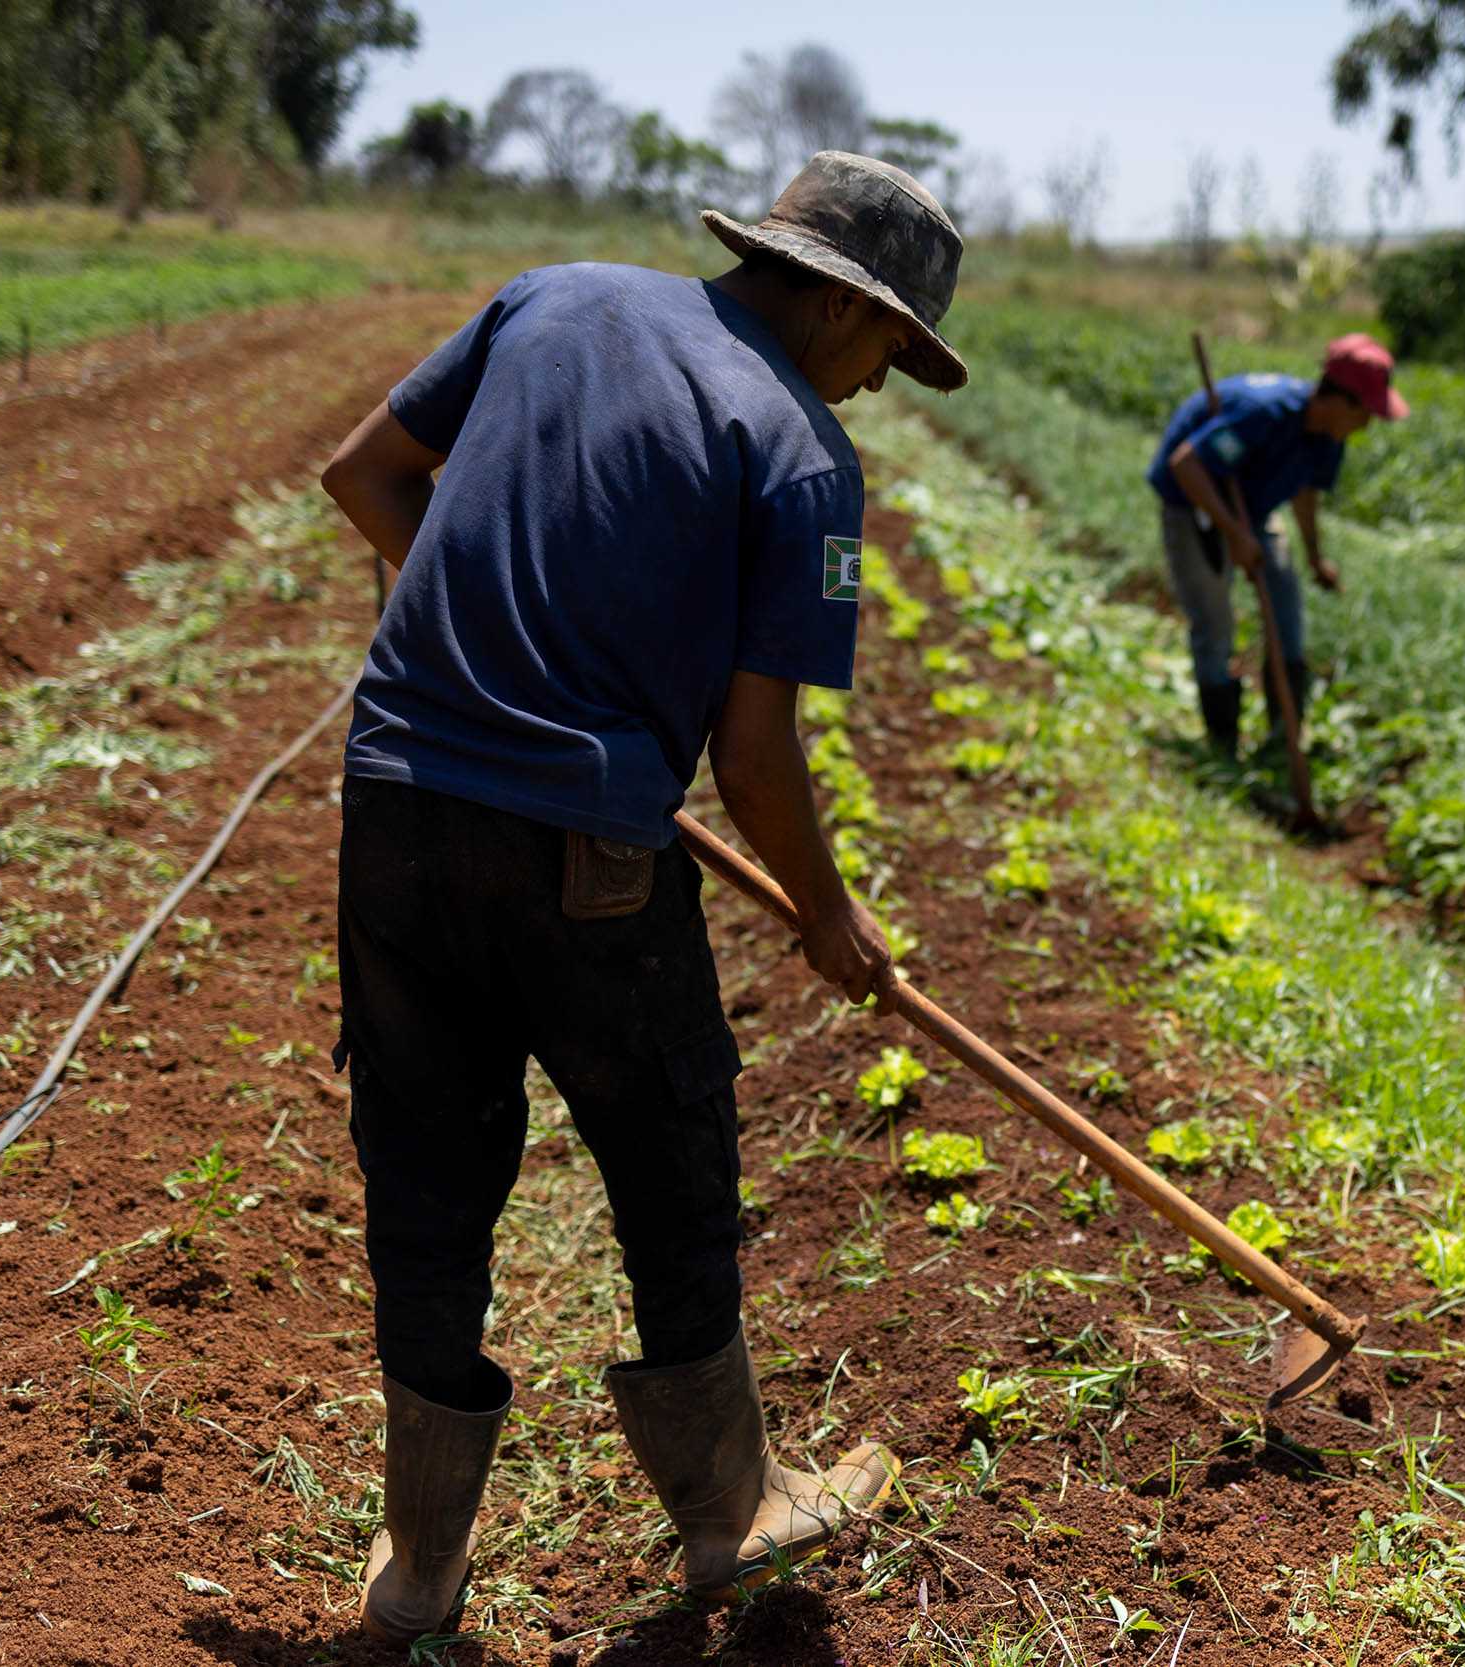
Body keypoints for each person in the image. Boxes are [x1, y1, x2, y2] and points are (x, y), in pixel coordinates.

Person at [314, 150, 966, 1645]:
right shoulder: (800, 452)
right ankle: (732, 1509)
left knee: (426, 1174)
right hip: (584, 857)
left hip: (395, 806)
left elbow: (363, 476)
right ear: (835, 303)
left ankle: (418, 1568)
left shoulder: (550, 300)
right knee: (672, 1157)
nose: (878, 388)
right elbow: (752, 752)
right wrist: (826, 911)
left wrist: (476, 639)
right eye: (888, 349)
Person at [1145, 335, 1408, 755]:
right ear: (1339, 400)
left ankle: (1283, 739)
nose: (1366, 425)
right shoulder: (1261, 415)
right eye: (1365, 412)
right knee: (1215, 622)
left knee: (1286, 608)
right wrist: (1233, 533)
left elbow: (1304, 493)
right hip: (1193, 503)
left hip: (1254, 509)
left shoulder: (1328, 438)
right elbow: (1186, 465)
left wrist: (1316, 558)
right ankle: (1223, 744)